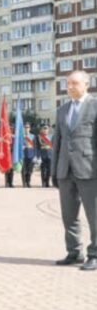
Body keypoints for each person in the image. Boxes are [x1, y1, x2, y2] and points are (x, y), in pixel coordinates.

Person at [53, 70, 97, 270]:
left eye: (74, 83)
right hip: (65, 171)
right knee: (69, 216)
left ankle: (95, 254)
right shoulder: (62, 110)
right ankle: (74, 252)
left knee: (94, 215)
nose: (70, 87)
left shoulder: (95, 106)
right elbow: (58, 142)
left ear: (86, 84)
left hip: (90, 170)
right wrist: (55, 170)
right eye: (68, 83)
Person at [22, 123, 37, 188]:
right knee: (24, 170)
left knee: (30, 170)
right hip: (23, 154)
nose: (26, 128)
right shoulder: (21, 136)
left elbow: (35, 146)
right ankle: (24, 182)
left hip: (31, 154)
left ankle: (28, 182)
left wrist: (35, 156)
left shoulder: (33, 136)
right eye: (25, 127)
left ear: (30, 128)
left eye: (28, 127)